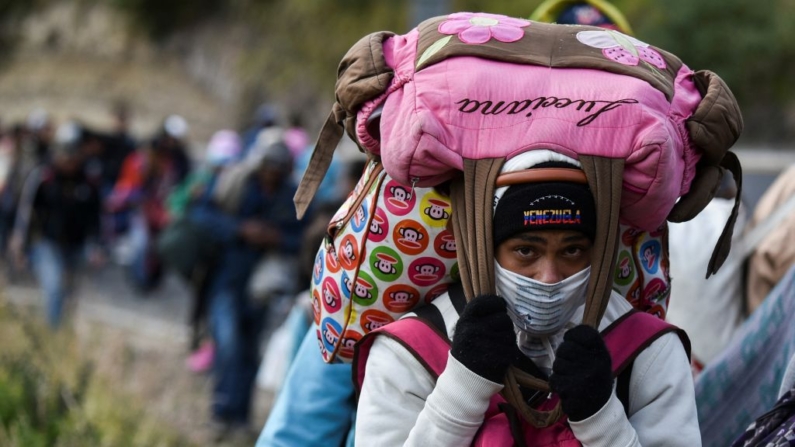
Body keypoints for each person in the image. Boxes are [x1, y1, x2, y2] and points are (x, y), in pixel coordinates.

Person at [355, 155, 699, 445]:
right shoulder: (411, 350)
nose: (549, 276)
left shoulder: (647, 351)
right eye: (525, 251)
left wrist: (602, 419)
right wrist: (461, 390)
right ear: (484, 249)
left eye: (573, 251)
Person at [190, 139, 305, 437]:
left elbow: (304, 238)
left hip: (263, 286)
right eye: (269, 167)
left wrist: (274, 238)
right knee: (227, 345)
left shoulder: (293, 196)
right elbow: (202, 216)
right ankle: (221, 411)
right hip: (226, 278)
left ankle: (239, 417)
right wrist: (239, 229)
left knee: (250, 351)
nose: (272, 174)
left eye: (279, 169)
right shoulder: (236, 183)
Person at [8, 121, 103, 328]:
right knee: (54, 286)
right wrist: (19, 242)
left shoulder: (88, 181)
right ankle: (52, 335)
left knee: (69, 292)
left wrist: (96, 245)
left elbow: (96, 216)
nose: (68, 159)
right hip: (47, 243)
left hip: (76, 245)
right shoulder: (44, 176)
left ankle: (61, 335)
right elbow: (26, 211)